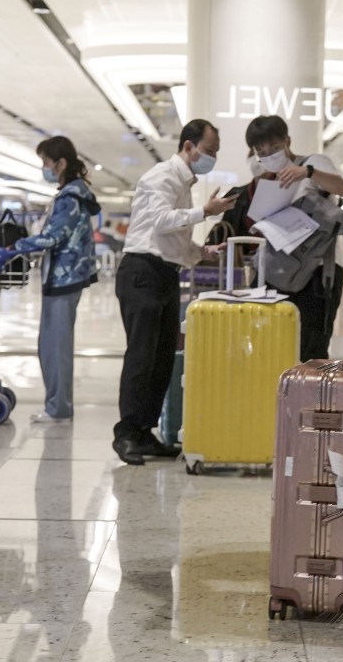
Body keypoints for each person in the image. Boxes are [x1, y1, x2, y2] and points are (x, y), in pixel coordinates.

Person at [113, 119, 235, 466]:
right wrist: (204, 212)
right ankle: (125, 434)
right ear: (188, 146)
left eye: (215, 151)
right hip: (142, 273)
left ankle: (144, 432)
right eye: (209, 150)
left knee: (161, 357)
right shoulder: (162, 177)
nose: (212, 157)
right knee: (141, 356)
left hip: (164, 274)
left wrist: (202, 254)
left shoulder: (182, 184)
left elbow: (173, 240)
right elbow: (160, 221)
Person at [209, 115, 343, 361]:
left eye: (274, 148)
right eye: (260, 151)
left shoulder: (312, 163)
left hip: (316, 273)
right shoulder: (265, 181)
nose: (268, 155)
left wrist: (307, 172)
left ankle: (306, 398)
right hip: (274, 272)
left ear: (287, 141)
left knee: (310, 350)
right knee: (269, 348)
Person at [9, 136, 100, 424]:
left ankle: (58, 408)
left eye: (46, 163)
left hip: (64, 278)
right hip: (63, 277)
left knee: (56, 346)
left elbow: (53, 236)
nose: (44, 169)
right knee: (49, 344)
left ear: (61, 164)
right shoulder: (72, 194)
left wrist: (16, 247)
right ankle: (56, 405)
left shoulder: (71, 198)